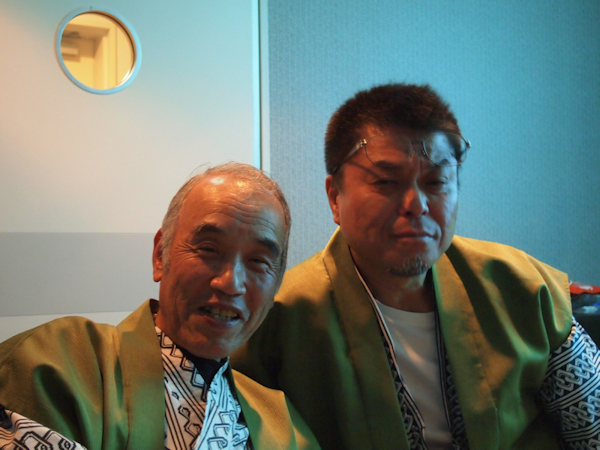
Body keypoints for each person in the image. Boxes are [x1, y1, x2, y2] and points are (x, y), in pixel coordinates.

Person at [232, 84, 600, 450]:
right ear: (335, 197)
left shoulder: (523, 289)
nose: (416, 204)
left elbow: (592, 426)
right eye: (386, 182)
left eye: (436, 182)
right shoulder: (278, 319)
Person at [0, 162, 320, 450]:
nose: (230, 283)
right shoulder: (59, 365)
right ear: (159, 255)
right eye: (209, 249)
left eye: (259, 261)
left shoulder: (285, 428)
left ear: (276, 284)